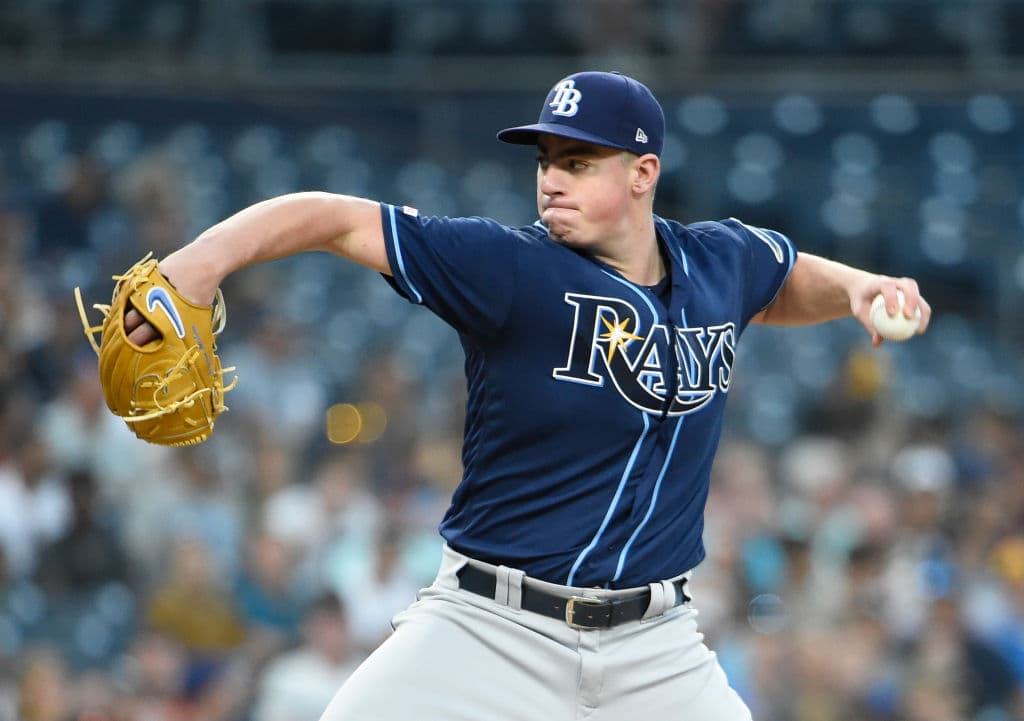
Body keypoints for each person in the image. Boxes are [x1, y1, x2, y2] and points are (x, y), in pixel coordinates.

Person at [123, 71, 931, 720]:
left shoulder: (721, 262)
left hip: (656, 647)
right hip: (488, 625)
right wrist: (198, 265)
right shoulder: (509, 269)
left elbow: (783, 279)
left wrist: (859, 287)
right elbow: (334, 218)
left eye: (578, 162)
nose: (552, 179)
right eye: (545, 159)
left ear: (643, 173)